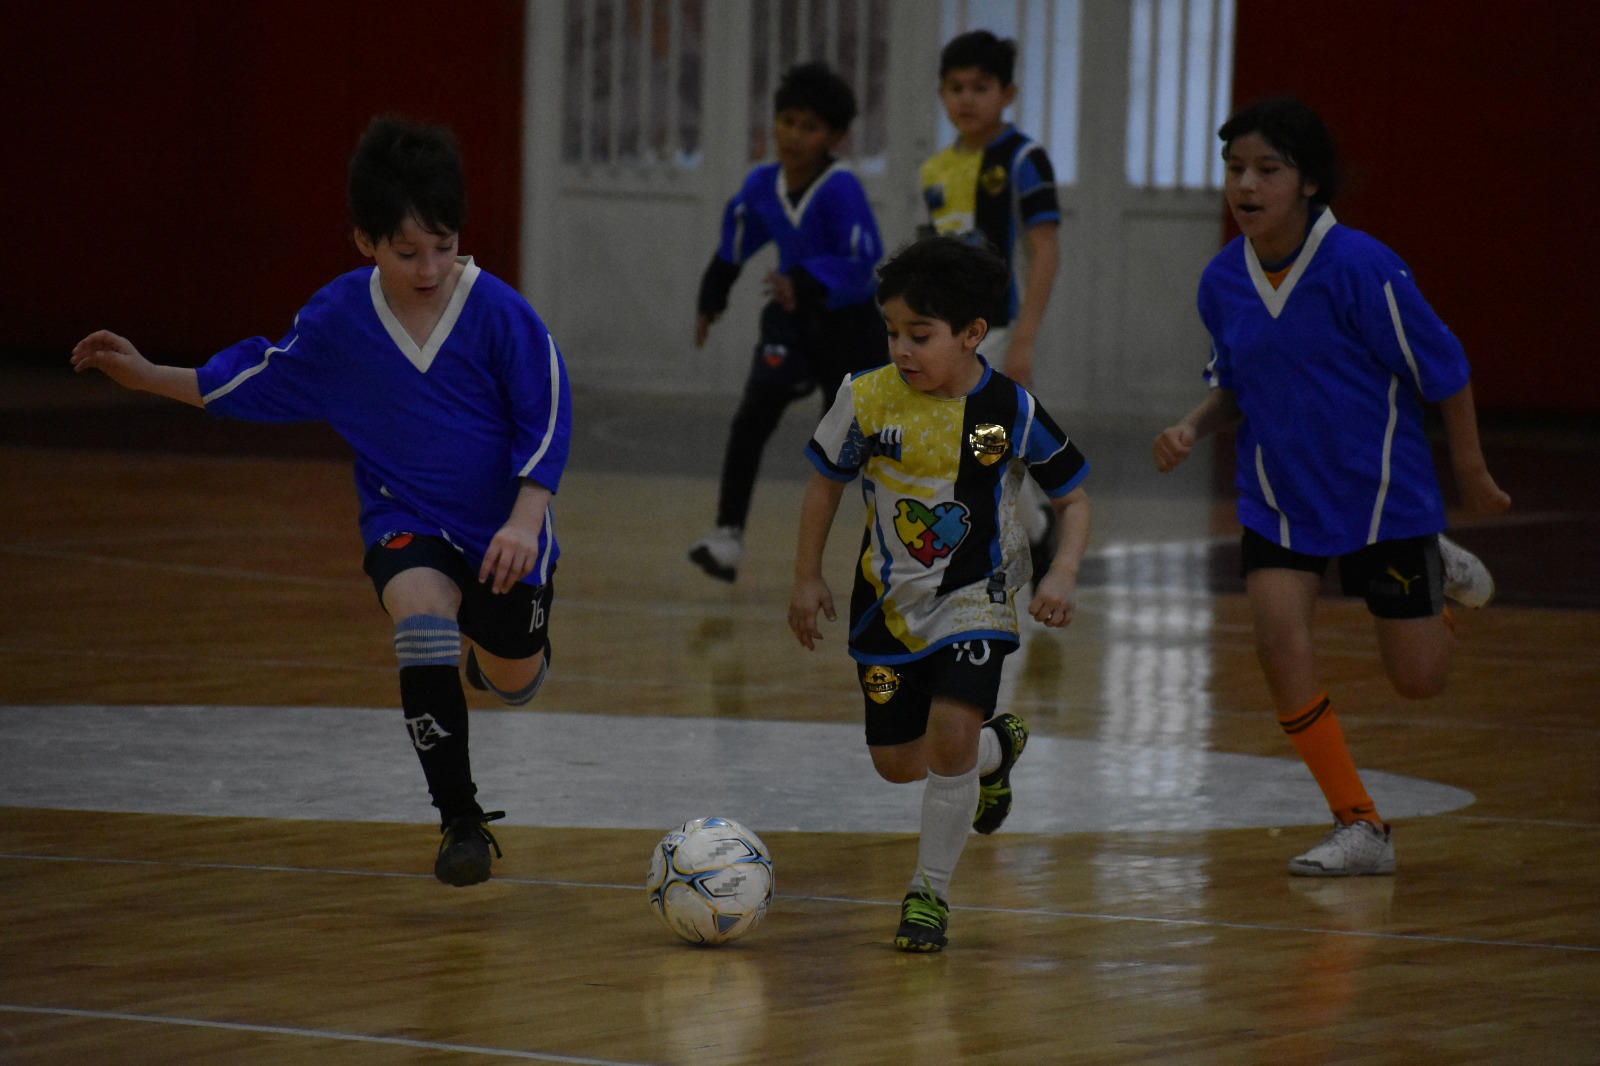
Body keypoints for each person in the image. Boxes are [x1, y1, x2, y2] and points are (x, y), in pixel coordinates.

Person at [69, 115, 572, 889]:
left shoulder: (502, 314)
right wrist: (147, 375)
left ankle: (495, 654)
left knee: (516, 680)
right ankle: (460, 819)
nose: (430, 266)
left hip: (506, 527)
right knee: (421, 616)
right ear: (365, 242)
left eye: (444, 245)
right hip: (402, 514)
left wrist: (523, 519)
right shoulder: (339, 322)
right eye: (407, 252)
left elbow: (548, 415)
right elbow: (246, 380)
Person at [1152, 97, 1511, 877]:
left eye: (1266, 170)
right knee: (1279, 645)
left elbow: (1445, 372)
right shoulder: (1223, 281)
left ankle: (1435, 568)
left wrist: (1473, 472)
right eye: (1234, 168)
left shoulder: (1362, 267)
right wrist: (1191, 426)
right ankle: (1360, 824)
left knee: (1418, 682)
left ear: (1308, 182)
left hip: (1383, 500)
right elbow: (1236, 386)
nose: (1245, 185)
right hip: (1277, 497)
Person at [789, 237, 1091, 952]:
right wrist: (806, 575)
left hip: (974, 598)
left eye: (919, 335)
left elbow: (1074, 499)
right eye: (891, 332)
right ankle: (997, 750)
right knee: (899, 763)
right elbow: (823, 486)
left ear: (972, 334)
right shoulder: (863, 398)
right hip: (885, 606)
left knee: (947, 737)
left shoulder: (1008, 409)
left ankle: (929, 893)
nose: (901, 349)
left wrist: (1062, 571)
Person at [688, 61, 886, 583]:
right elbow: (734, 244)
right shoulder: (760, 185)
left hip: (850, 330)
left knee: (864, 447)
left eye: (810, 127)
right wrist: (712, 298)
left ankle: (903, 548)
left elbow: (864, 261)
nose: (794, 135)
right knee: (751, 420)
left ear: (836, 137)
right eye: (787, 121)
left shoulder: (842, 189)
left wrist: (804, 280)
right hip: (793, 325)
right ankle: (726, 536)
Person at [920, 29, 1063, 584]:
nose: (967, 99)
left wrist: (1024, 336)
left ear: (1008, 93)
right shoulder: (933, 171)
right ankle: (1035, 528)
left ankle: (1009, 543)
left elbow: (1045, 248)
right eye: (956, 88)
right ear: (941, 95)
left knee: (983, 440)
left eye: (981, 87)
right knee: (967, 443)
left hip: (997, 326)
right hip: (945, 332)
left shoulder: (1024, 158)